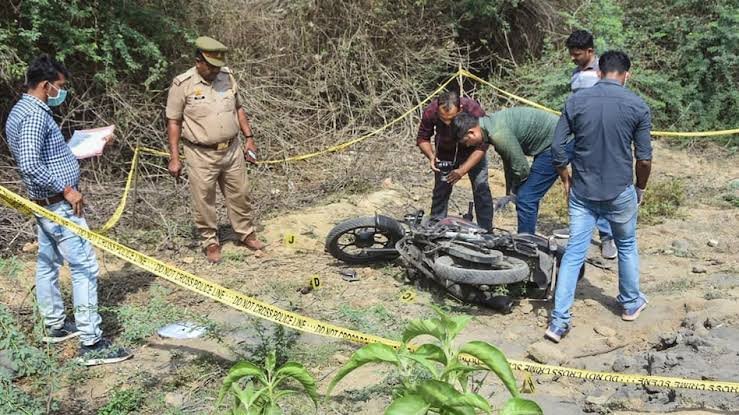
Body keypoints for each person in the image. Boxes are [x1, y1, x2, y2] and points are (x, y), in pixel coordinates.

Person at [5, 55, 131, 365]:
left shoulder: (22, 110)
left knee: (48, 263)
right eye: (59, 86)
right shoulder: (34, 117)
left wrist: (88, 147)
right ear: (45, 85)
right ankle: (92, 342)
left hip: (46, 205)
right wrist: (67, 189)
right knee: (85, 267)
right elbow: (30, 164)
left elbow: (43, 157)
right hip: (58, 205)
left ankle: (55, 325)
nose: (62, 92)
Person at [545, 51, 653, 342]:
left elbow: (557, 147)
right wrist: (640, 188)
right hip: (620, 190)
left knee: (574, 253)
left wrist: (565, 177)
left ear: (599, 72)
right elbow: (644, 159)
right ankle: (630, 304)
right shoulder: (637, 105)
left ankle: (559, 322)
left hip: (582, 191)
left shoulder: (576, 101)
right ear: (626, 75)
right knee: (626, 245)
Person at [166, 36, 266, 263]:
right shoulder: (182, 84)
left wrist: (249, 138)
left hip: (232, 149)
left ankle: (246, 234)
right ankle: (210, 241)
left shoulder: (227, 77)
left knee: (240, 193)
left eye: (217, 66)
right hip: (200, 153)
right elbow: (174, 121)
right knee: (204, 200)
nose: (215, 71)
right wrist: (174, 157)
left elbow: (238, 108)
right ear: (198, 61)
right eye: (210, 66)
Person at [451, 107, 569, 235]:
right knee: (526, 196)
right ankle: (526, 236)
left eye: (466, 141)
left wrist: (515, 192)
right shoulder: (490, 126)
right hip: (551, 141)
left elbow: (522, 169)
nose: (468, 145)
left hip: (559, 142)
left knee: (526, 198)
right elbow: (509, 162)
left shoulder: (498, 135)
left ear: (472, 132)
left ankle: (526, 242)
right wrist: (509, 192)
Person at [565, 29, 617, 259]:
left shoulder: (602, 72)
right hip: (581, 138)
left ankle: (607, 237)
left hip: (601, 138)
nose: (573, 58)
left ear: (590, 51)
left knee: (601, 186)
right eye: (571, 53)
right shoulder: (576, 73)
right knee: (581, 184)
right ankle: (580, 230)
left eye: (577, 54)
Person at [416, 91, 493, 230]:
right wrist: (431, 156)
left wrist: (462, 170)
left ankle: (486, 230)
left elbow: (484, 144)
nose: (447, 123)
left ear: (460, 110)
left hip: (473, 153)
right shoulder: (430, 111)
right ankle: (436, 227)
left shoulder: (473, 109)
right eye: (443, 119)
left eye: (451, 119)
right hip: (445, 154)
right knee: (441, 190)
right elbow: (422, 137)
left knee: (481, 188)